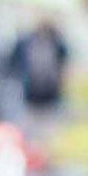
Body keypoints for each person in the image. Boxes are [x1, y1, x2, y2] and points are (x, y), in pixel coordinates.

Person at [7, 14, 70, 142]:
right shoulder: (24, 42)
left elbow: (63, 65)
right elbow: (12, 64)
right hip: (29, 96)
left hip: (50, 96)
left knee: (48, 136)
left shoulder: (58, 44)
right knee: (29, 135)